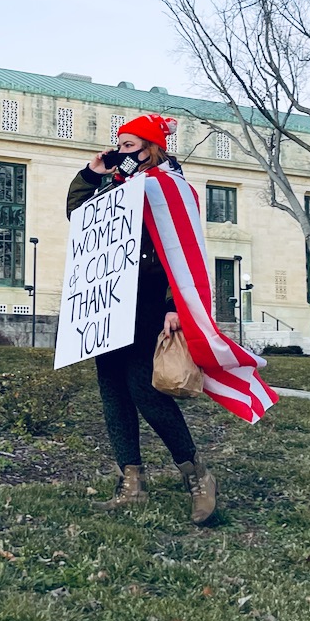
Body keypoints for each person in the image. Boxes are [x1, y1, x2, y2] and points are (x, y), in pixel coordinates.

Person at [66, 114, 218, 525]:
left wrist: (175, 305)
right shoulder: (117, 187)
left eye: (130, 146)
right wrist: (91, 174)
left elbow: (184, 249)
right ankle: (131, 482)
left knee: (145, 390)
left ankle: (196, 474)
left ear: (152, 148)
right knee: (113, 391)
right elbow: (81, 221)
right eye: (119, 146)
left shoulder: (171, 188)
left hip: (151, 302)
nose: (122, 153)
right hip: (109, 301)